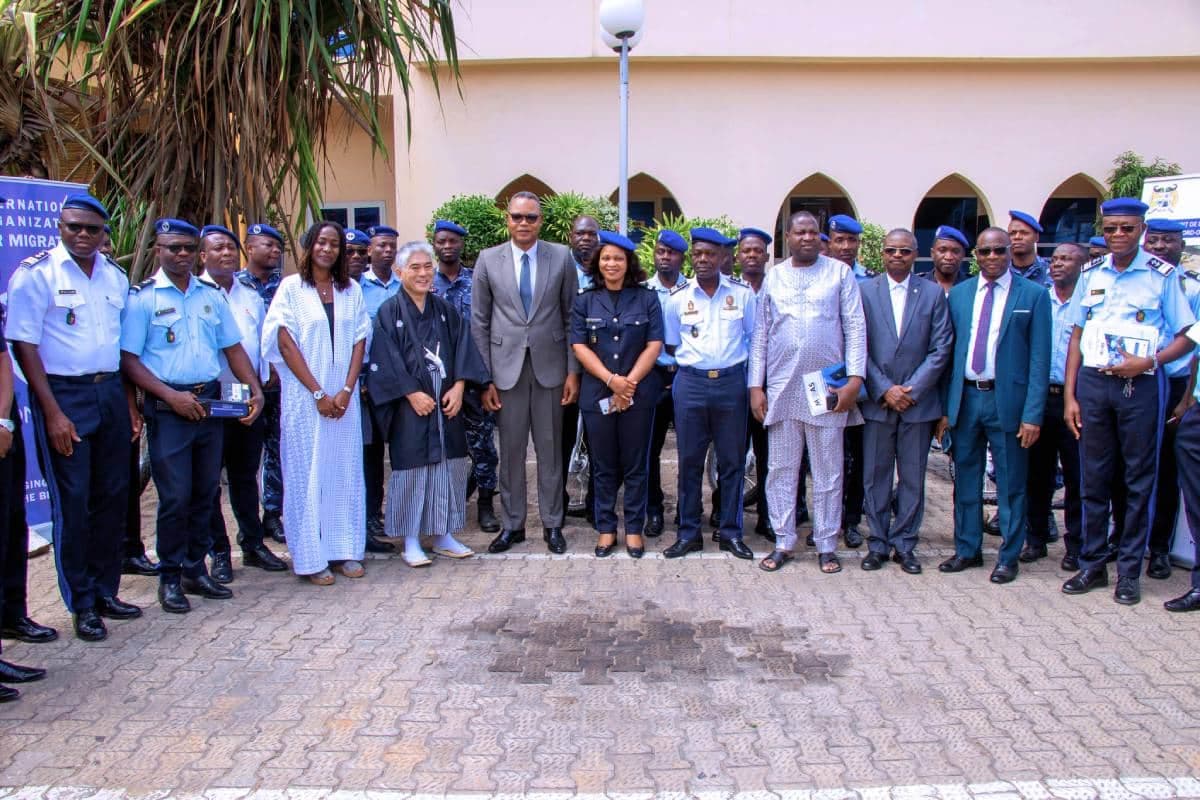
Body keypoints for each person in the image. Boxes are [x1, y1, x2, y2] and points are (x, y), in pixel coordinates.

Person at [7, 194, 138, 642]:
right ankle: (81, 602)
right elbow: (24, 346)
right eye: (73, 227)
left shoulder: (115, 277)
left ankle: (106, 591)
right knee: (74, 502)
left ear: (105, 233)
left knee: (112, 497)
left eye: (91, 229)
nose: (82, 235)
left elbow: (121, 348)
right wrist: (54, 414)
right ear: (60, 227)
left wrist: (129, 405)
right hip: (64, 395)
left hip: (109, 392)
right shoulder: (36, 274)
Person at [120, 218, 265, 613]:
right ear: (158, 251)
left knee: (205, 492)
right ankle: (169, 577)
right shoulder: (143, 299)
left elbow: (232, 347)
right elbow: (129, 361)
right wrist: (171, 395)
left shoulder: (210, 296)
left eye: (187, 248)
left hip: (209, 404)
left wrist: (253, 388)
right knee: (175, 497)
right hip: (169, 409)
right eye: (173, 248)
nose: (181, 254)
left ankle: (193, 569)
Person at [1062, 199, 1195, 606]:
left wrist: (1151, 361)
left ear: (1141, 230)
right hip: (1094, 384)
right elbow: (1076, 336)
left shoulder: (1162, 276)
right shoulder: (1091, 273)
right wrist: (1070, 395)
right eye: (1112, 228)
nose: (1118, 235)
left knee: (1139, 480)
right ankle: (1093, 564)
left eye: (1127, 228)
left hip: (1142, 386)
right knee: (1094, 477)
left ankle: (1130, 572)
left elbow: (1189, 334)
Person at [750, 212, 865, 574]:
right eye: (800, 232)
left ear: (822, 237)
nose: (807, 238)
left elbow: (856, 328)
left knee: (829, 471)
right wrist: (756, 386)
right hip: (782, 387)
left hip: (827, 389)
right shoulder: (776, 277)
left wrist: (855, 381)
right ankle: (784, 540)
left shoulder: (840, 274)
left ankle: (827, 543)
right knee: (781, 469)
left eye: (813, 232)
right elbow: (761, 335)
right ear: (787, 236)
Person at [937, 227, 1051, 584]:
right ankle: (967, 549)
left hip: (1009, 403)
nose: (991, 258)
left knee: (1011, 483)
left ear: (1010, 252)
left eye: (998, 251)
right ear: (976, 255)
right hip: (967, 399)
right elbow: (948, 355)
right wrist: (945, 409)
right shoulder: (960, 294)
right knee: (966, 480)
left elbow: (1039, 361)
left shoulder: (1033, 295)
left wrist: (1033, 414)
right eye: (984, 252)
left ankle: (1008, 555)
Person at [471, 192, 580, 554]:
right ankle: (513, 525)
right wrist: (485, 378)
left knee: (550, 452)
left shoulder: (561, 257)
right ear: (508, 219)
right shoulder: (488, 260)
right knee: (512, 452)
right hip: (505, 373)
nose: (523, 223)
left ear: (541, 221)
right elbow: (480, 322)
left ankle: (552, 524)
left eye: (530, 217)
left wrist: (573, 372)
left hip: (551, 369)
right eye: (517, 217)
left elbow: (571, 317)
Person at [368, 241, 489, 566]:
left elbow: (464, 347)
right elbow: (386, 359)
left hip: (446, 401)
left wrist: (461, 386)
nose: (423, 273)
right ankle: (410, 540)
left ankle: (443, 534)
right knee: (412, 469)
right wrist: (410, 393)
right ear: (399, 272)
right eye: (415, 267)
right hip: (411, 405)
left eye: (427, 267)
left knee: (448, 466)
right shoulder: (388, 312)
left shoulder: (445, 310)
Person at [262, 221, 370, 585]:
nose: (328, 249)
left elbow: (359, 340)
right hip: (305, 400)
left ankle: (344, 550)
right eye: (321, 242)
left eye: (335, 244)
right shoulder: (291, 289)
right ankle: (310, 557)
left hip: (344, 400)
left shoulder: (350, 289)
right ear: (309, 246)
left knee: (343, 471)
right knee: (307, 473)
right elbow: (285, 342)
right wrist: (319, 393)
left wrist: (346, 389)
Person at [860, 229, 953, 574]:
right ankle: (878, 543)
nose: (897, 256)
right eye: (891, 250)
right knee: (875, 477)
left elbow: (941, 348)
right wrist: (884, 389)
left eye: (904, 251)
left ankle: (905, 544)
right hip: (878, 402)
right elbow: (858, 346)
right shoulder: (865, 291)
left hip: (917, 405)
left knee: (913, 478)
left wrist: (910, 390)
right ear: (881, 254)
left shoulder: (931, 294)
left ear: (915, 255)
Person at [198, 224, 288, 581]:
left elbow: (261, 342)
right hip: (207, 398)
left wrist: (262, 384)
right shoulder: (194, 293)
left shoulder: (249, 295)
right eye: (217, 248)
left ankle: (252, 543)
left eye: (230, 249)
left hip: (247, 397)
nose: (226, 254)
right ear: (202, 255)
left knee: (244, 476)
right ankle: (219, 551)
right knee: (207, 481)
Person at [661, 228, 756, 560]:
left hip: (731, 385)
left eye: (710, 254)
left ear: (723, 258)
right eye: (698, 253)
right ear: (692, 256)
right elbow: (672, 344)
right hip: (691, 385)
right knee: (689, 461)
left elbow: (754, 341)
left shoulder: (743, 296)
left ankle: (731, 532)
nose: (703, 259)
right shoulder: (678, 298)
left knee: (731, 462)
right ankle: (688, 533)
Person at [570, 231, 664, 558]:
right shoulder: (584, 299)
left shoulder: (646, 298)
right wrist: (612, 381)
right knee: (603, 464)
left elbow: (654, 344)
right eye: (606, 258)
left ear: (628, 263)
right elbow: (579, 346)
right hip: (599, 392)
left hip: (638, 394)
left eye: (618, 258)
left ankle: (634, 529)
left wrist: (629, 383)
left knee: (637, 464)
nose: (612, 263)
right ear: (598, 262)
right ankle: (607, 528)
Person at [1020, 242, 1087, 570]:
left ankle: (1075, 545)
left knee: (1077, 476)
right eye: (1056, 258)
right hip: (1039, 397)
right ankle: (1035, 538)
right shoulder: (1038, 298)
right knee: (1037, 474)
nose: (1058, 264)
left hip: (1075, 401)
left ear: (1082, 264)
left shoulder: (1088, 301)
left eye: (1067, 259)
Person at [432, 219, 500, 534]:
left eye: (453, 241)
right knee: (445, 448)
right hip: (437, 380)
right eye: (441, 241)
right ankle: (448, 504)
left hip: (475, 379)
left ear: (462, 245)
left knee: (484, 447)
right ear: (434, 244)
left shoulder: (477, 282)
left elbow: (490, 328)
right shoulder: (426, 282)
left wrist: (488, 378)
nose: (447, 246)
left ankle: (485, 505)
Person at [0, 300, 50, 702]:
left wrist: (2, 419)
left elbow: (3, 359)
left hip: (3, 429)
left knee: (11, 527)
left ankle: (11, 618)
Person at [237, 223, 286, 543]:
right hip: (243, 384)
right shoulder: (234, 286)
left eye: (277, 246)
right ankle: (247, 524)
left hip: (280, 383)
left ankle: (273, 514)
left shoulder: (286, 287)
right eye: (267, 245)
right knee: (244, 458)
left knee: (278, 450)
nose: (274, 251)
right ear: (249, 248)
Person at [824, 213, 868, 548]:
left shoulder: (868, 282)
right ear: (829, 242)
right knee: (820, 457)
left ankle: (850, 521)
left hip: (857, 387)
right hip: (819, 384)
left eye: (851, 241)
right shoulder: (817, 278)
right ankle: (820, 518)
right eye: (840, 240)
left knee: (854, 458)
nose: (846, 247)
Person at [359, 224, 402, 554]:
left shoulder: (404, 286)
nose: (386, 251)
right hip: (365, 386)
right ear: (370, 251)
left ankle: (400, 514)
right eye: (381, 246)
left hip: (400, 384)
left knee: (402, 451)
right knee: (370, 454)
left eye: (392, 246)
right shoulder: (355, 287)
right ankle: (371, 515)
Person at [644, 230, 689, 538]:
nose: (664, 257)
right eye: (660, 251)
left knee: (690, 449)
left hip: (686, 376)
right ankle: (654, 509)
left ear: (680, 258)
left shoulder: (695, 290)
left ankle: (688, 510)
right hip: (654, 376)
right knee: (650, 449)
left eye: (671, 253)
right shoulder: (643, 290)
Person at [734, 227, 774, 542]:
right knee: (732, 454)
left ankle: (767, 517)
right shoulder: (730, 291)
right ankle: (729, 516)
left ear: (767, 256)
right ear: (737, 256)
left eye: (757, 250)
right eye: (746, 251)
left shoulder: (777, 289)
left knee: (768, 455)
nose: (751, 255)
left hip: (770, 387)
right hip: (735, 387)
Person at [562, 215, 599, 523]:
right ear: (571, 237)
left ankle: (596, 504)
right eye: (580, 233)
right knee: (562, 437)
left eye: (591, 234)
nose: (585, 239)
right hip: (567, 370)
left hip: (601, 370)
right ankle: (558, 504)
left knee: (600, 440)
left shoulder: (606, 270)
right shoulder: (559, 271)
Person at [923, 225, 972, 295]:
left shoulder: (973, 286)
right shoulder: (919, 285)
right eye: (942, 250)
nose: (948, 257)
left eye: (955, 251)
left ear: (963, 255)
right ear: (932, 253)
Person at [1008, 210, 1051, 287]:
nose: (1017, 237)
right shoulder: (1002, 271)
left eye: (1024, 233)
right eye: (1012, 233)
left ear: (1037, 237)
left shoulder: (1051, 271)